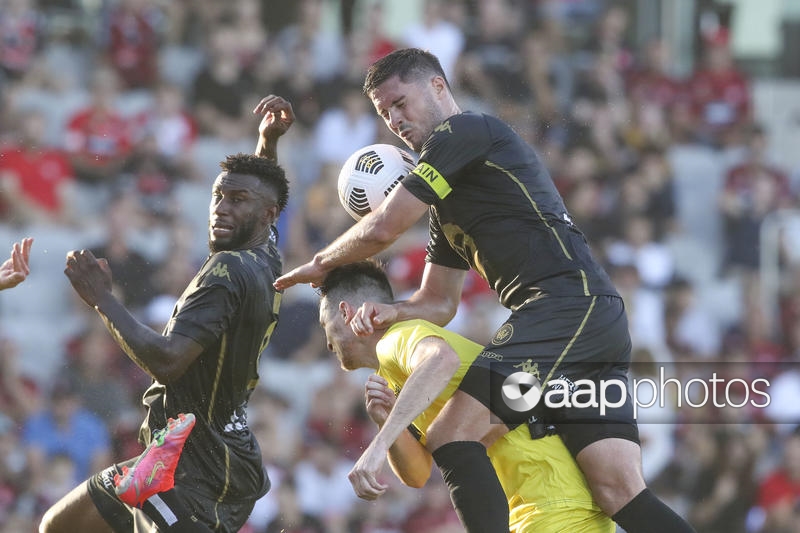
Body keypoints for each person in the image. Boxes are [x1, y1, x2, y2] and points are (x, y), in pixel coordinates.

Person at [275, 48, 695, 533]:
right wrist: (392, 310)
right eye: (384, 113)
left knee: (453, 434)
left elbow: (385, 228)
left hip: (563, 314)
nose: (395, 119)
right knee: (617, 490)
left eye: (400, 102)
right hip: (590, 331)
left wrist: (321, 262)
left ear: (437, 87)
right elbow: (439, 302)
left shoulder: (464, 132)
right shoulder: (447, 207)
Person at [39, 94, 295, 533]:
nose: (222, 208)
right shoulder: (266, 256)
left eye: (237, 200)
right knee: (59, 526)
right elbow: (261, 194)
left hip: (200, 471)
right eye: (219, 196)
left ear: (267, 214)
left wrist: (103, 298)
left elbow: (168, 361)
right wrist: (265, 145)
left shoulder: (228, 269)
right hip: (171, 453)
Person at [318, 260, 613, 532]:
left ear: (345, 313)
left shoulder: (398, 336)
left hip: (554, 503)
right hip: (539, 509)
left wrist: (377, 446)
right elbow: (418, 475)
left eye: (325, 326)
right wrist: (386, 422)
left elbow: (442, 359)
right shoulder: (395, 378)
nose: (328, 343)